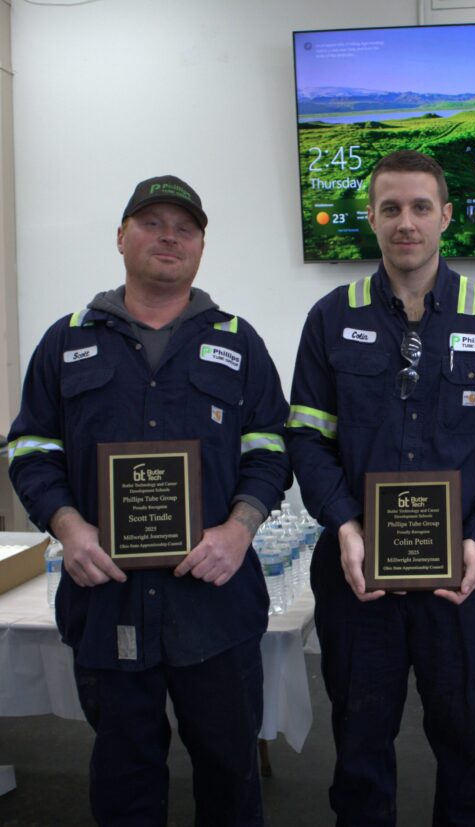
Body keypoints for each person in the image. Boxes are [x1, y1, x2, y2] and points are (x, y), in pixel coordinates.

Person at [7, 175, 291, 825]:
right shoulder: (66, 341)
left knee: (230, 776)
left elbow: (271, 449)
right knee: (124, 778)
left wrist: (240, 529)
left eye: (184, 227)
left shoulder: (238, 341)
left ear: (200, 245)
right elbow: (31, 449)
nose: (169, 236)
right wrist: (67, 525)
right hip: (109, 602)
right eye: (152, 222)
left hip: (215, 605)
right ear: (121, 235)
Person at [286, 149, 475, 826]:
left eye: (421, 207)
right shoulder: (329, 317)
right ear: (370, 217)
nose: (407, 222)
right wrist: (343, 522)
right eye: (392, 208)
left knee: (467, 746)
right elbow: (308, 440)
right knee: (361, 748)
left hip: (463, 577)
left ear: (446, 218)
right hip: (356, 573)